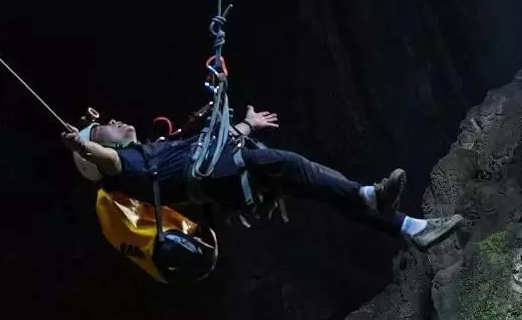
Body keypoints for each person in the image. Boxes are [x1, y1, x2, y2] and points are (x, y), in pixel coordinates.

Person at [64, 107, 466, 251]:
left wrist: (246, 124)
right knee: (293, 164)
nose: (114, 122)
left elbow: (209, 147)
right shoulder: (126, 170)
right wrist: (84, 146)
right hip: (224, 178)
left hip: (226, 170)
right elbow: (105, 160)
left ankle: (414, 228)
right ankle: (369, 195)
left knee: (320, 183)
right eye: (105, 130)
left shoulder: (153, 151)